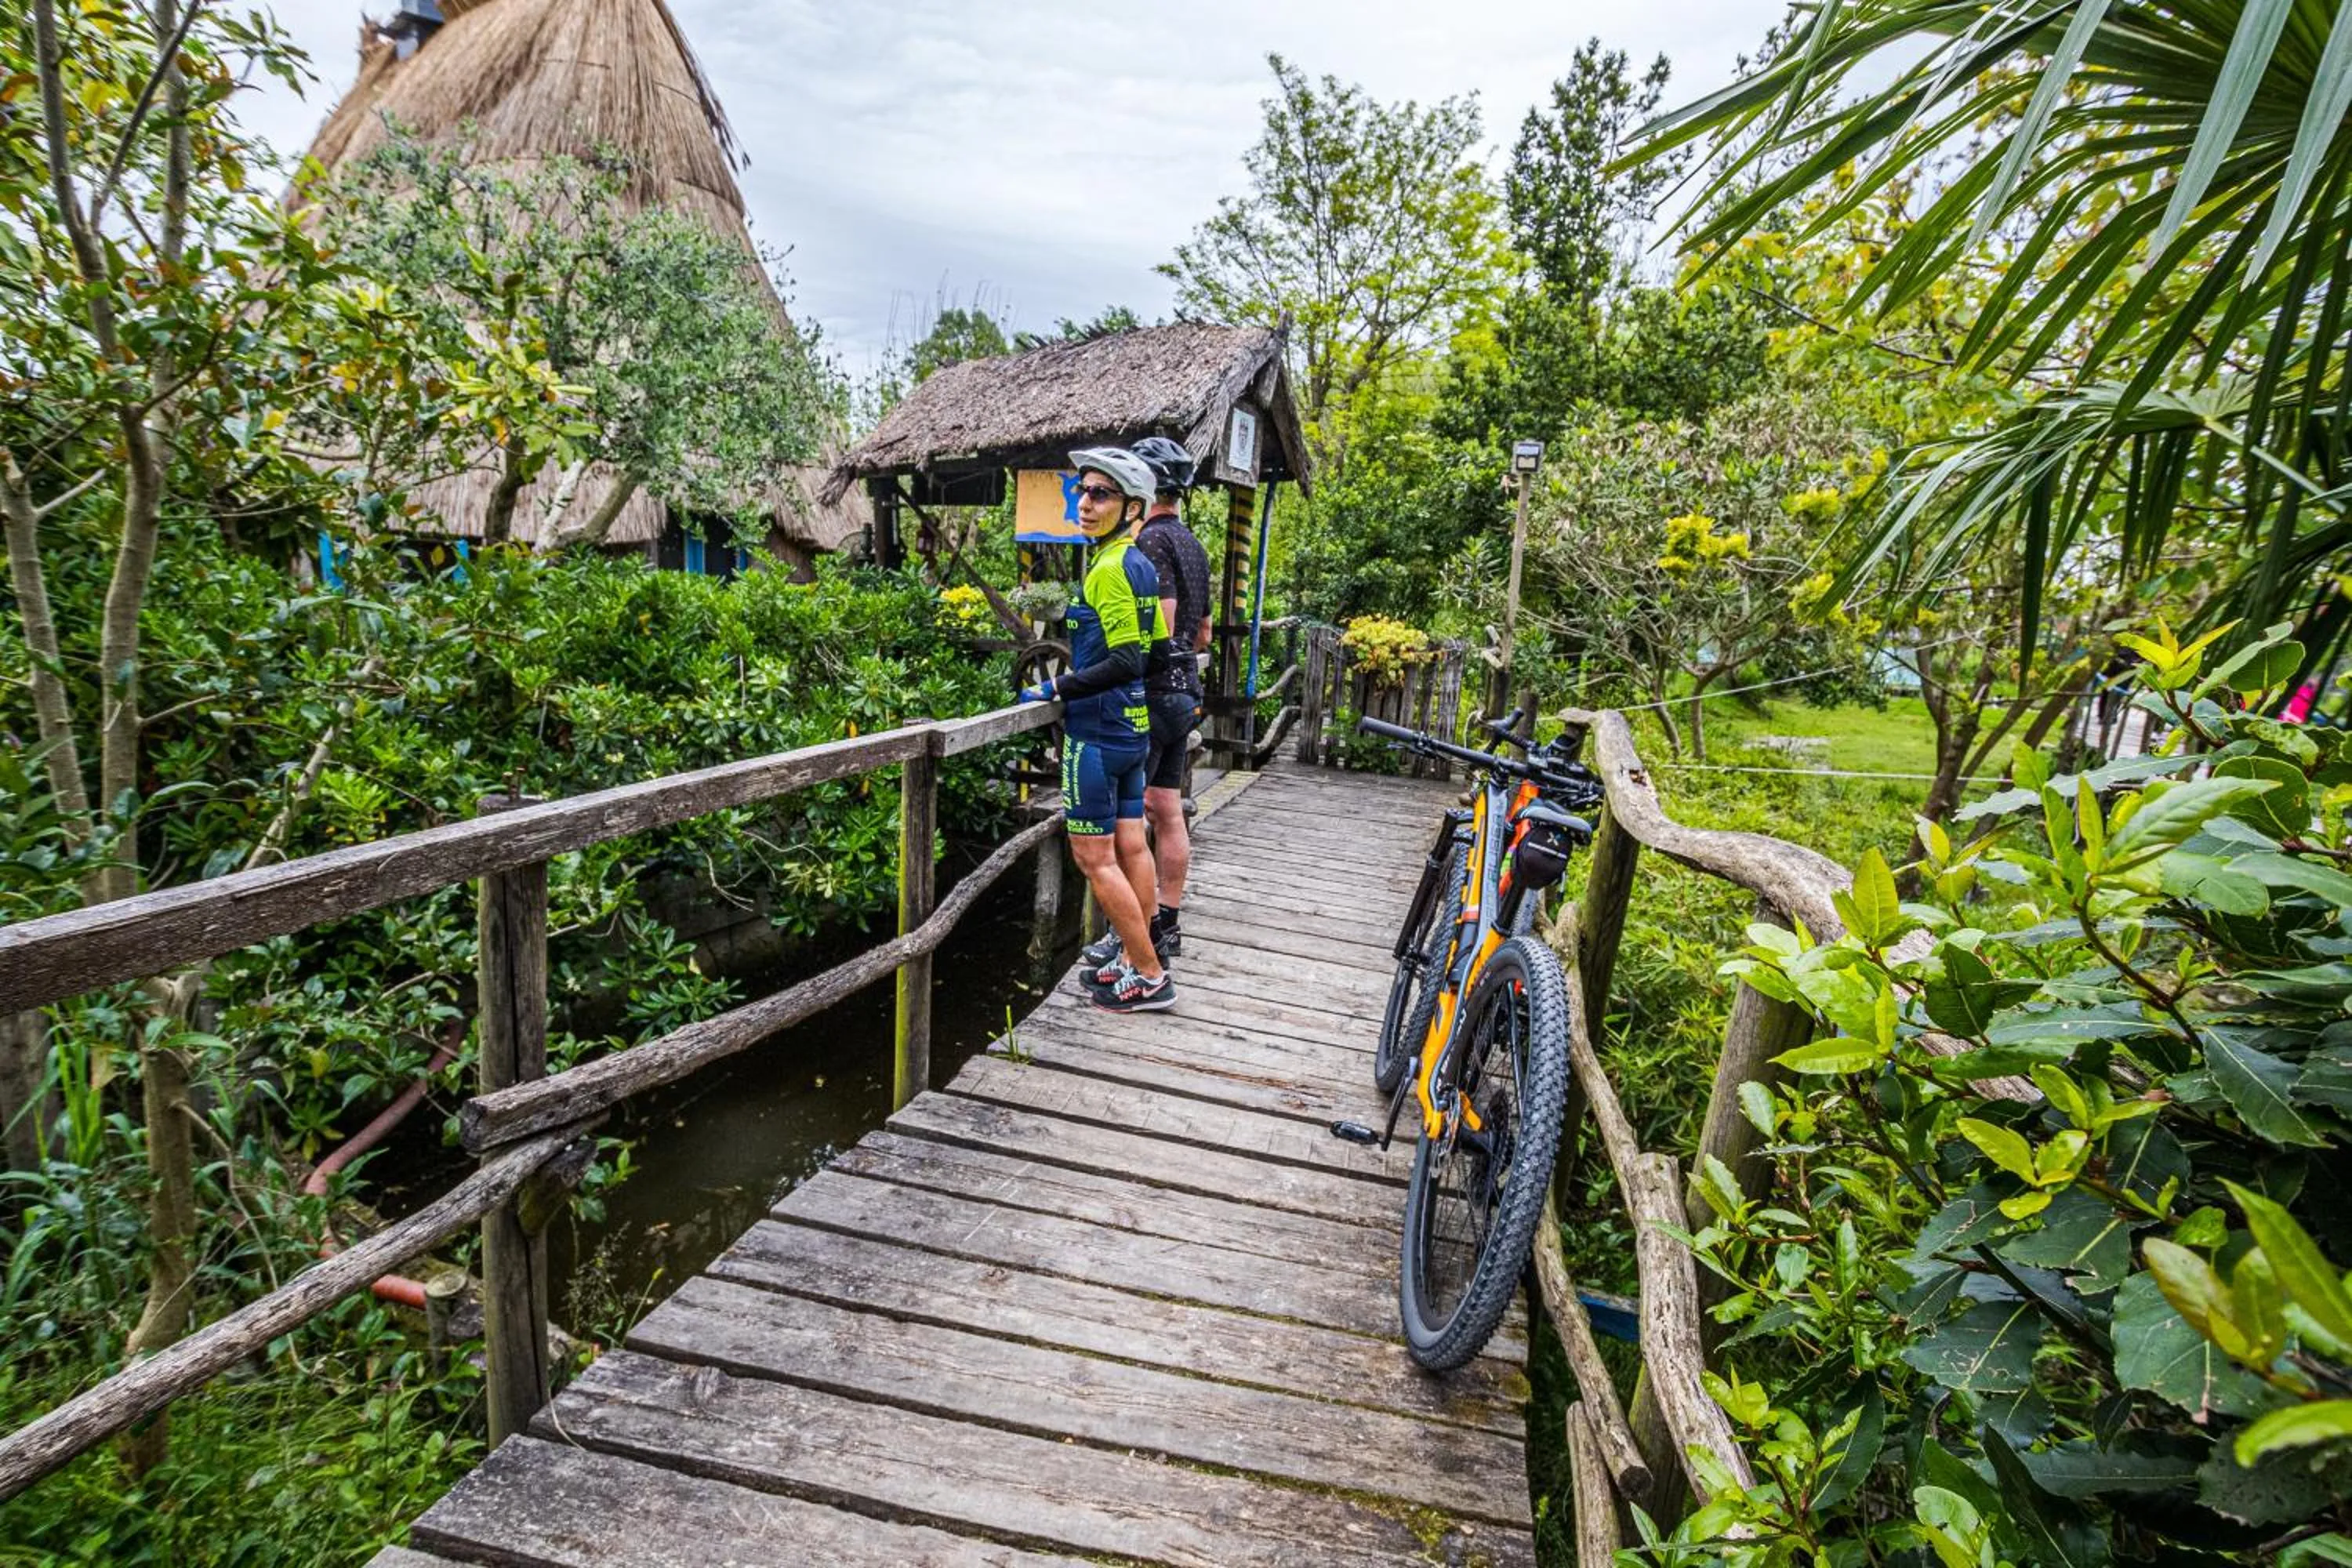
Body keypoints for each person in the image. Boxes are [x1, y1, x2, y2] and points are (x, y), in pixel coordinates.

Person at [1017, 447, 1174, 1013]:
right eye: (1082, 491)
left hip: (1097, 734)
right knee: (1131, 844)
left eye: (1100, 494)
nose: (1084, 503)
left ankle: (1151, 976)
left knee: (1093, 858)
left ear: (1132, 508)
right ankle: (1138, 952)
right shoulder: (1139, 565)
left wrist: (1056, 688)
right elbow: (1161, 652)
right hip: (1132, 731)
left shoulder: (1109, 571)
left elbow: (1131, 660)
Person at [1076, 435, 1210, 976]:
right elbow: (1200, 633)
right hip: (1186, 688)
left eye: (1099, 493)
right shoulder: (1194, 545)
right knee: (1167, 809)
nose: (1087, 502)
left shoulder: (1147, 545)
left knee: (1125, 827)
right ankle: (1165, 922)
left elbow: (1165, 620)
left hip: (1148, 694)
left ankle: (1134, 939)